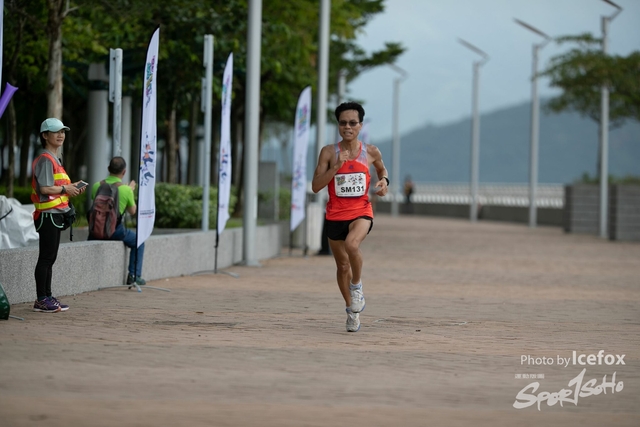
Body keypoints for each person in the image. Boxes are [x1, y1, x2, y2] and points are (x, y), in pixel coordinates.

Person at [312, 101, 389, 332]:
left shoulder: (371, 151)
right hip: (335, 215)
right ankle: (351, 309)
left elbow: (382, 170)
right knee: (342, 266)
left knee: (352, 244)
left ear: (360, 125)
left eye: (353, 123)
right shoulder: (328, 152)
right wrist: (335, 167)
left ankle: (357, 287)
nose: (348, 127)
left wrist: (384, 181)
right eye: (343, 123)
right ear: (338, 125)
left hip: (361, 212)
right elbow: (316, 185)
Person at [31, 118, 87, 313]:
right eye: (56, 131)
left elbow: (56, 188)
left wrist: (71, 189)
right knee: (46, 258)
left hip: (55, 215)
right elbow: (45, 188)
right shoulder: (46, 159)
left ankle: (47, 296)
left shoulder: (55, 159)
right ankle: (41, 299)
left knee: (50, 257)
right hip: (48, 215)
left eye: (63, 131)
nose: (61, 134)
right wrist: (66, 188)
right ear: (45, 135)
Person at [89, 157, 146, 286]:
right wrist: (130, 190)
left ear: (108, 169)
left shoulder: (97, 185)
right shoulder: (126, 190)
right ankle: (134, 276)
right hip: (115, 230)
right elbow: (132, 211)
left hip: (95, 230)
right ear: (124, 172)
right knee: (139, 242)